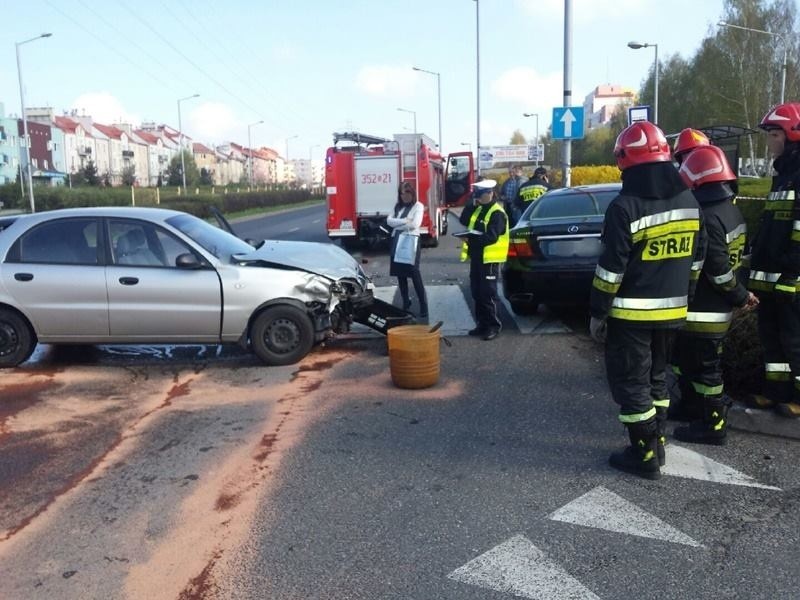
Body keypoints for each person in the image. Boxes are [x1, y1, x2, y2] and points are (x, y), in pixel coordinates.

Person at [589, 121, 704, 479]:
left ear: (626, 160)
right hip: (674, 312)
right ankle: (658, 446)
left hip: (631, 316)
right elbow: (697, 260)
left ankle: (643, 456)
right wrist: (686, 298)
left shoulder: (625, 207)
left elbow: (610, 272)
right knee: (658, 380)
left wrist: (597, 313)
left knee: (632, 383)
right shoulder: (689, 200)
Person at [671, 145, 758, 445]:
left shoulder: (707, 216)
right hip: (715, 310)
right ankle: (691, 407)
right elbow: (739, 261)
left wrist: (739, 296)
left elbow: (718, 270)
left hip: (702, 312)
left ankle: (714, 425)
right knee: (686, 362)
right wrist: (740, 294)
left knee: (706, 370)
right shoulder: (732, 210)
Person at [746, 102, 800, 418]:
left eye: (773, 134)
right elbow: (773, 226)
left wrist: (793, 274)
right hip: (773, 278)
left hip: (791, 279)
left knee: (794, 340)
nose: (769, 141)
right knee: (773, 339)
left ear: (791, 135)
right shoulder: (783, 176)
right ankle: (777, 391)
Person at [459, 179, 509, 341]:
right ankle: (482, 324)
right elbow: (464, 220)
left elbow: (492, 237)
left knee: (488, 294)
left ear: (490, 193)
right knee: (477, 292)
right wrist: (471, 204)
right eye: (477, 195)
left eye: (481, 195)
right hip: (477, 257)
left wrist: (471, 240)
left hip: (490, 260)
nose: (478, 198)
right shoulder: (478, 208)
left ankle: (493, 326)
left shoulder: (497, 213)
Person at [387, 181, 428, 319]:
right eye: (401, 193)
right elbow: (389, 221)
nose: (404, 196)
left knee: (414, 273)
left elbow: (416, 224)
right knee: (400, 274)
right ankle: (406, 302)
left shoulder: (418, 206)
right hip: (396, 240)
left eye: (407, 193)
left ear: (412, 192)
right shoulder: (397, 206)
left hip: (411, 241)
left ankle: (423, 304)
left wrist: (398, 224)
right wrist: (405, 221)